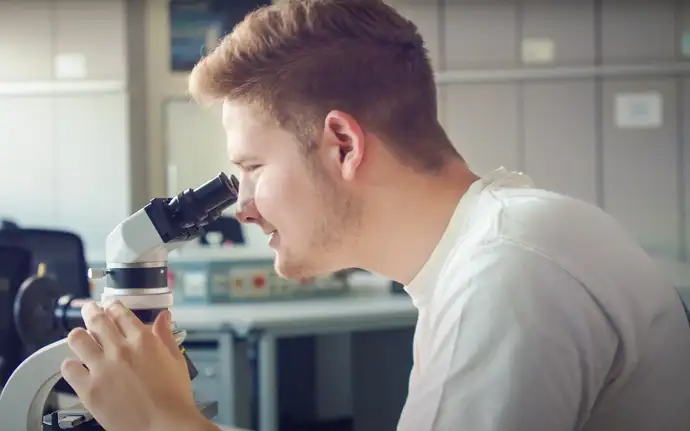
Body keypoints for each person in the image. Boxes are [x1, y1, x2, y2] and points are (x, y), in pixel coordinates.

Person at [60, 0, 690, 430]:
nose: (243, 206)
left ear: (343, 145)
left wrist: (165, 423)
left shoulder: (508, 273)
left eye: (251, 168)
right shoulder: (499, 243)